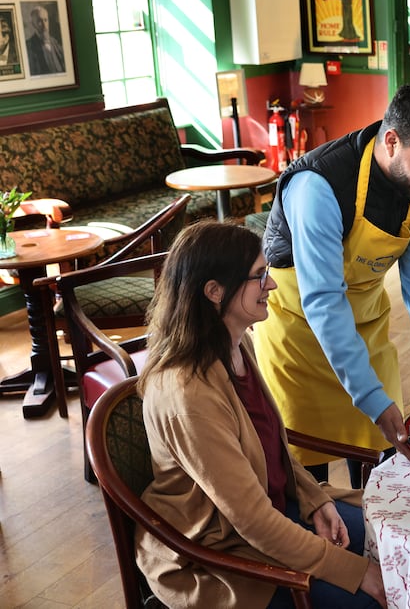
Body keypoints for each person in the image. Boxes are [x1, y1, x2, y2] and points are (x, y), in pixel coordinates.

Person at [255, 80, 410, 482]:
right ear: (391, 140)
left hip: (366, 330)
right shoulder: (319, 186)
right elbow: (324, 302)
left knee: (380, 465)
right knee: (308, 475)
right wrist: (369, 396)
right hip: (299, 337)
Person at [136, 221, 386, 609]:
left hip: (273, 511)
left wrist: (315, 498)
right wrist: (356, 572)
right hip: (220, 552)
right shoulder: (187, 392)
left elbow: (273, 449)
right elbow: (250, 521)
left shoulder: (239, 345)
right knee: (376, 591)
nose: (271, 284)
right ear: (214, 292)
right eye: (259, 276)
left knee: (395, 549)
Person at [25, 5, 64, 74]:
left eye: (46, 20)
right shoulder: (28, 47)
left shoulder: (55, 43)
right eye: (39, 21)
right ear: (33, 24)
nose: (44, 25)